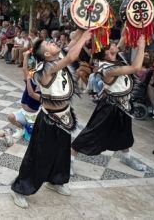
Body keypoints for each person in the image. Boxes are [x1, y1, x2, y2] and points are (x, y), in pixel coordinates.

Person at [10, 30, 92, 208]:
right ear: (46, 54)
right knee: (38, 156)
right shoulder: (44, 69)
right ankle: (20, 188)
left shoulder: (56, 56)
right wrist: (85, 38)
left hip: (66, 116)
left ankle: (56, 181)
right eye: (48, 44)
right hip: (49, 119)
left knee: (62, 153)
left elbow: (72, 41)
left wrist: (84, 26)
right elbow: (71, 57)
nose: (52, 42)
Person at [71, 36, 148, 174]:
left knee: (125, 133)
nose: (115, 45)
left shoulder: (117, 59)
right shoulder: (107, 68)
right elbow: (136, 67)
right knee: (91, 133)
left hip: (124, 105)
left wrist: (131, 24)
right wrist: (141, 46)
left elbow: (123, 37)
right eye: (111, 45)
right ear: (106, 52)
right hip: (110, 106)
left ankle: (126, 157)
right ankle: (69, 160)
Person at [8, 51, 41, 141]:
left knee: (32, 136)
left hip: (34, 116)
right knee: (10, 117)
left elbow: (31, 93)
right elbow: (24, 69)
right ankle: (21, 129)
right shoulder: (30, 80)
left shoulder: (44, 92)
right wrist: (26, 55)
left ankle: (29, 127)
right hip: (23, 112)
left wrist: (28, 79)